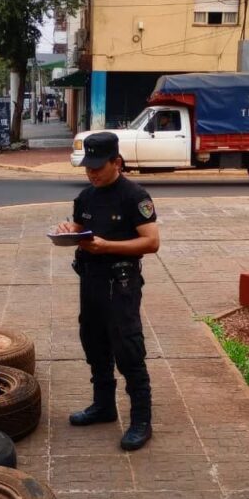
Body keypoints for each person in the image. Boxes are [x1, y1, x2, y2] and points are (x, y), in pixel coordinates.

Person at [55, 132, 160, 451]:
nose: (92, 173)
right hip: (90, 280)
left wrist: (108, 246)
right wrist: (69, 230)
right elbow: (81, 226)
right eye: (88, 167)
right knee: (94, 343)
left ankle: (141, 420)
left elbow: (151, 242)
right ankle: (104, 406)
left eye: (98, 167)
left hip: (121, 283)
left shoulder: (134, 196)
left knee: (128, 348)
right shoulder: (86, 197)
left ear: (117, 162)